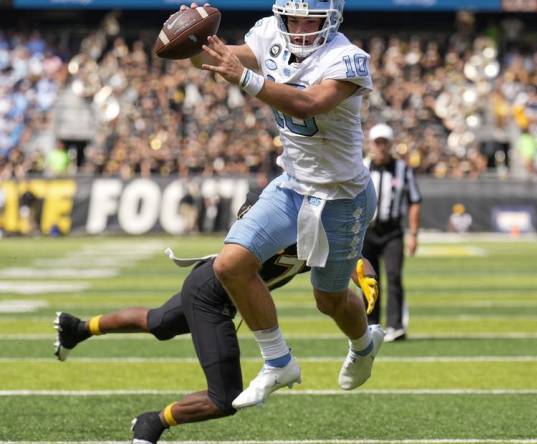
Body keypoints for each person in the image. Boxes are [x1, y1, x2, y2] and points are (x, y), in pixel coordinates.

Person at [53, 197, 380, 444]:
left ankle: (78, 329)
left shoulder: (316, 236)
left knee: (158, 323)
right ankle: (153, 422)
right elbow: (247, 223)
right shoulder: (276, 221)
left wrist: (365, 277)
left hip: (211, 288)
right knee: (224, 398)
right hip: (211, 295)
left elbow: (351, 259)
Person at [185, 0, 382, 409]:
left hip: (342, 196)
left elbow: (307, 103)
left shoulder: (347, 58)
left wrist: (245, 78)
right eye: (292, 16)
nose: (299, 26)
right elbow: (214, 59)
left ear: (329, 19)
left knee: (328, 299)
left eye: (309, 18)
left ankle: (363, 344)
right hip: (292, 185)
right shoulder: (269, 36)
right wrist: (189, 36)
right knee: (229, 264)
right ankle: (278, 362)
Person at [362, 123, 422, 342]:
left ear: (390, 144)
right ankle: (370, 325)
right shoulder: (361, 167)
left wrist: (414, 233)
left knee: (394, 276)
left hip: (392, 231)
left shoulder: (403, 169)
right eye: (377, 142)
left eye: (384, 142)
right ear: (371, 144)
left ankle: (396, 326)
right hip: (366, 231)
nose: (381, 147)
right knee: (368, 279)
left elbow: (415, 201)